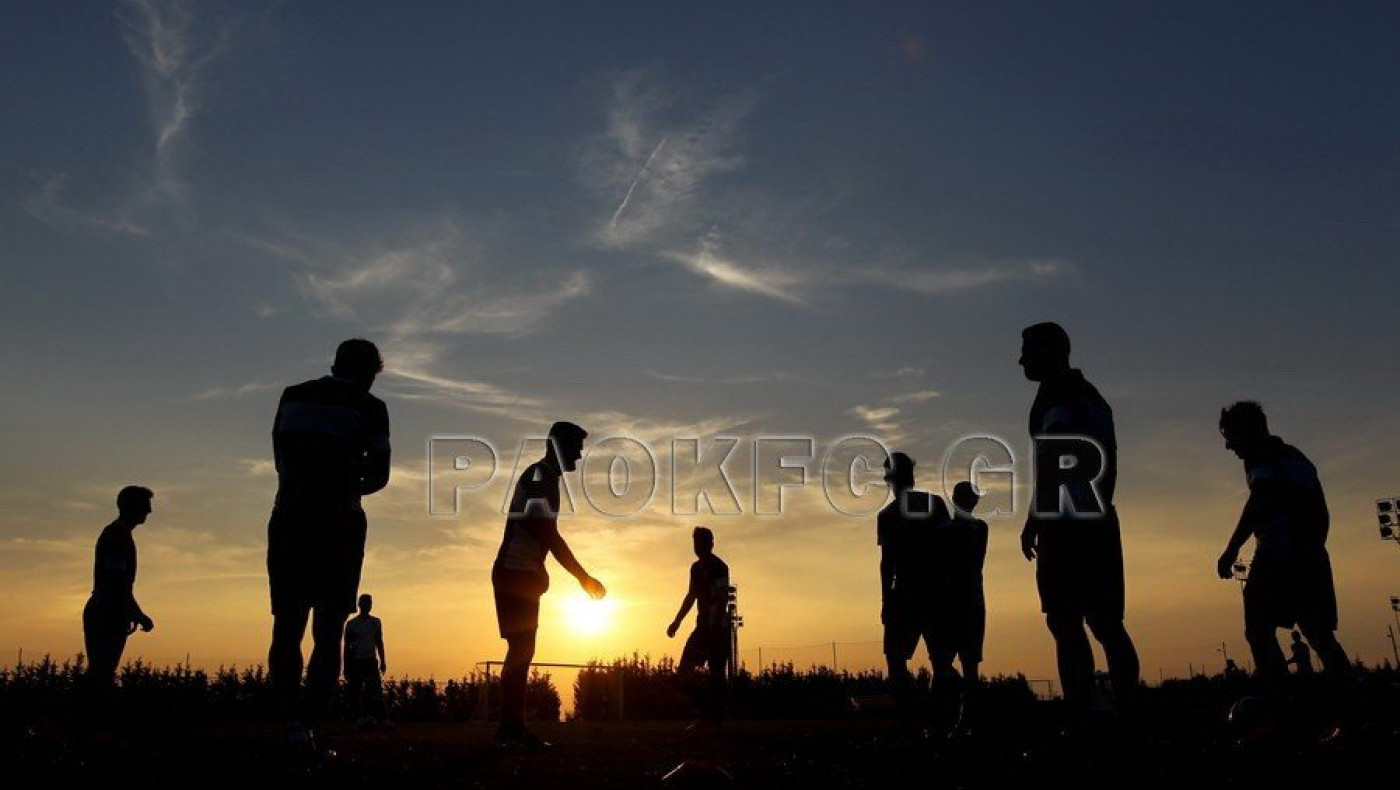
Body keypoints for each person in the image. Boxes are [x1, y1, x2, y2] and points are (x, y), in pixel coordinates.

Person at [266, 339, 390, 749]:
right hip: (339, 522)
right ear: (371, 371)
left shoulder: (293, 395)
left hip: (289, 517)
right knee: (328, 628)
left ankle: (287, 724)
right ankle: (311, 726)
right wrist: (346, 482)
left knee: (287, 625)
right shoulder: (371, 408)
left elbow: (279, 455)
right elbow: (379, 475)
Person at [1018, 322, 1140, 724]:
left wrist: (1037, 517)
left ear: (1050, 353)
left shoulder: (1059, 398)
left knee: (1065, 619)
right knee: (1105, 622)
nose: (1020, 360)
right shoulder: (1091, 397)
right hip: (1099, 518)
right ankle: (1125, 711)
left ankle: (1081, 714)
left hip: (1069, 524)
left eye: (1027, 351)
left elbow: (1058, 458)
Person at [1215, 401, 1349, 682]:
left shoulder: (1261, 456)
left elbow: (1260, 499)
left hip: (1279, 556)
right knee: (1318, 633)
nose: (1229, 447)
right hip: (1311, 556)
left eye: (1230, 438)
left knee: (1258, 628)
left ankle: (1278, 698)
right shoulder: (1296, 457)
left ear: (1248, 431)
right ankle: (1352, 698)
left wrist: (1231, 549)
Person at [492, 421, 606, 748]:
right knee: (520, 650)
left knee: (521, 650)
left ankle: (510, 728)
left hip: (522, 573)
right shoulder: (540, 477)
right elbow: (547, 534)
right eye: (577, 448)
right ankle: (510, 729)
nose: (580, 456)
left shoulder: (546, 478)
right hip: (514, 572)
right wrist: (583, 577)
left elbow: (545, 535)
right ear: (559, 446)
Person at [877, 452, 957, 732]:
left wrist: (886, 599)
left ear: (891, 479)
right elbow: (950, 550)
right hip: (934, 592)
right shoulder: (933, 504)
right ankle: (940, 723)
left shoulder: (888, 516)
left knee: (897, 660)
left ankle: (912, 723)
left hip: (907, 594)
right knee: (941, 660)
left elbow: (887, 563)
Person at [82, 486, 156, 728]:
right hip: (107, 612)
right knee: (101, 673)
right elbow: (117, 583)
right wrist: (137, 613)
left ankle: (92, 724)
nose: (149, 510)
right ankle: (93, 725)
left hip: (109, 610)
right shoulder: (117, 536)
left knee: (102, 672)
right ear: (133, 506)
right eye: (145, 505)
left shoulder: (118, 534)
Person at [666, 527, 732, 728]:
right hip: (701, 628)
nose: (697, 546)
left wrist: (714, 628)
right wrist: (677, 621)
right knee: (684, 672)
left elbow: (721, 600)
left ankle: (715, 721)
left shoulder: (720, 567)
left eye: (701, 542)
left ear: (711, 544)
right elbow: (691, 596)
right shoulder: (695, 569)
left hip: (718, 630)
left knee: (717, 676)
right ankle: (705, 714)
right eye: (695, 542)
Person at [947, 481, 989, 728]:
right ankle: (966, 712)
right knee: (958, 663)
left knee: (963, 662)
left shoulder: (974, 529)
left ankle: (968, 715)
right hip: (966, 599)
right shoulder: (974, 529)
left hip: (964, 599)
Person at [343, 593, 389, 728]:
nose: (368, 605)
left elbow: (379, 642)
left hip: (371, 660)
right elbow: (347, 646)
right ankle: (357, 718)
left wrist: (382, 660)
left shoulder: (376, 622)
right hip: (357, 661)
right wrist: (346, 665)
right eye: (365, 603)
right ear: (359, 604)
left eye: (369, 603)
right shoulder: (351, 624)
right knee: (355, 691)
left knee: (375, 691)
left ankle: (381, 718)